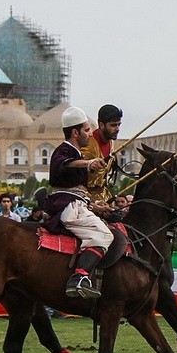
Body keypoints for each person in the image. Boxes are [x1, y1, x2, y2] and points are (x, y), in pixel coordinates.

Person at [46, 106, 111, 298]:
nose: (91, 135)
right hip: (66, 207)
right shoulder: (64, 151)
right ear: (75, 132)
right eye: (87, 130)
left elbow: (77, 190)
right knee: (104, 235)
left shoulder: (75, 152)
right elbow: (62, 164)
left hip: (77, 203)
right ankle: (79, 277)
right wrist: (88, 163)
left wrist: (95, 205)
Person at [82, 103, 122, 203]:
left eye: (118, 124)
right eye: (113, 125)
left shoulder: (111, 142)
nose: (117, 129)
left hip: (105, 197)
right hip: (86, 199)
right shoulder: (88, 145)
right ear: (101, 125)